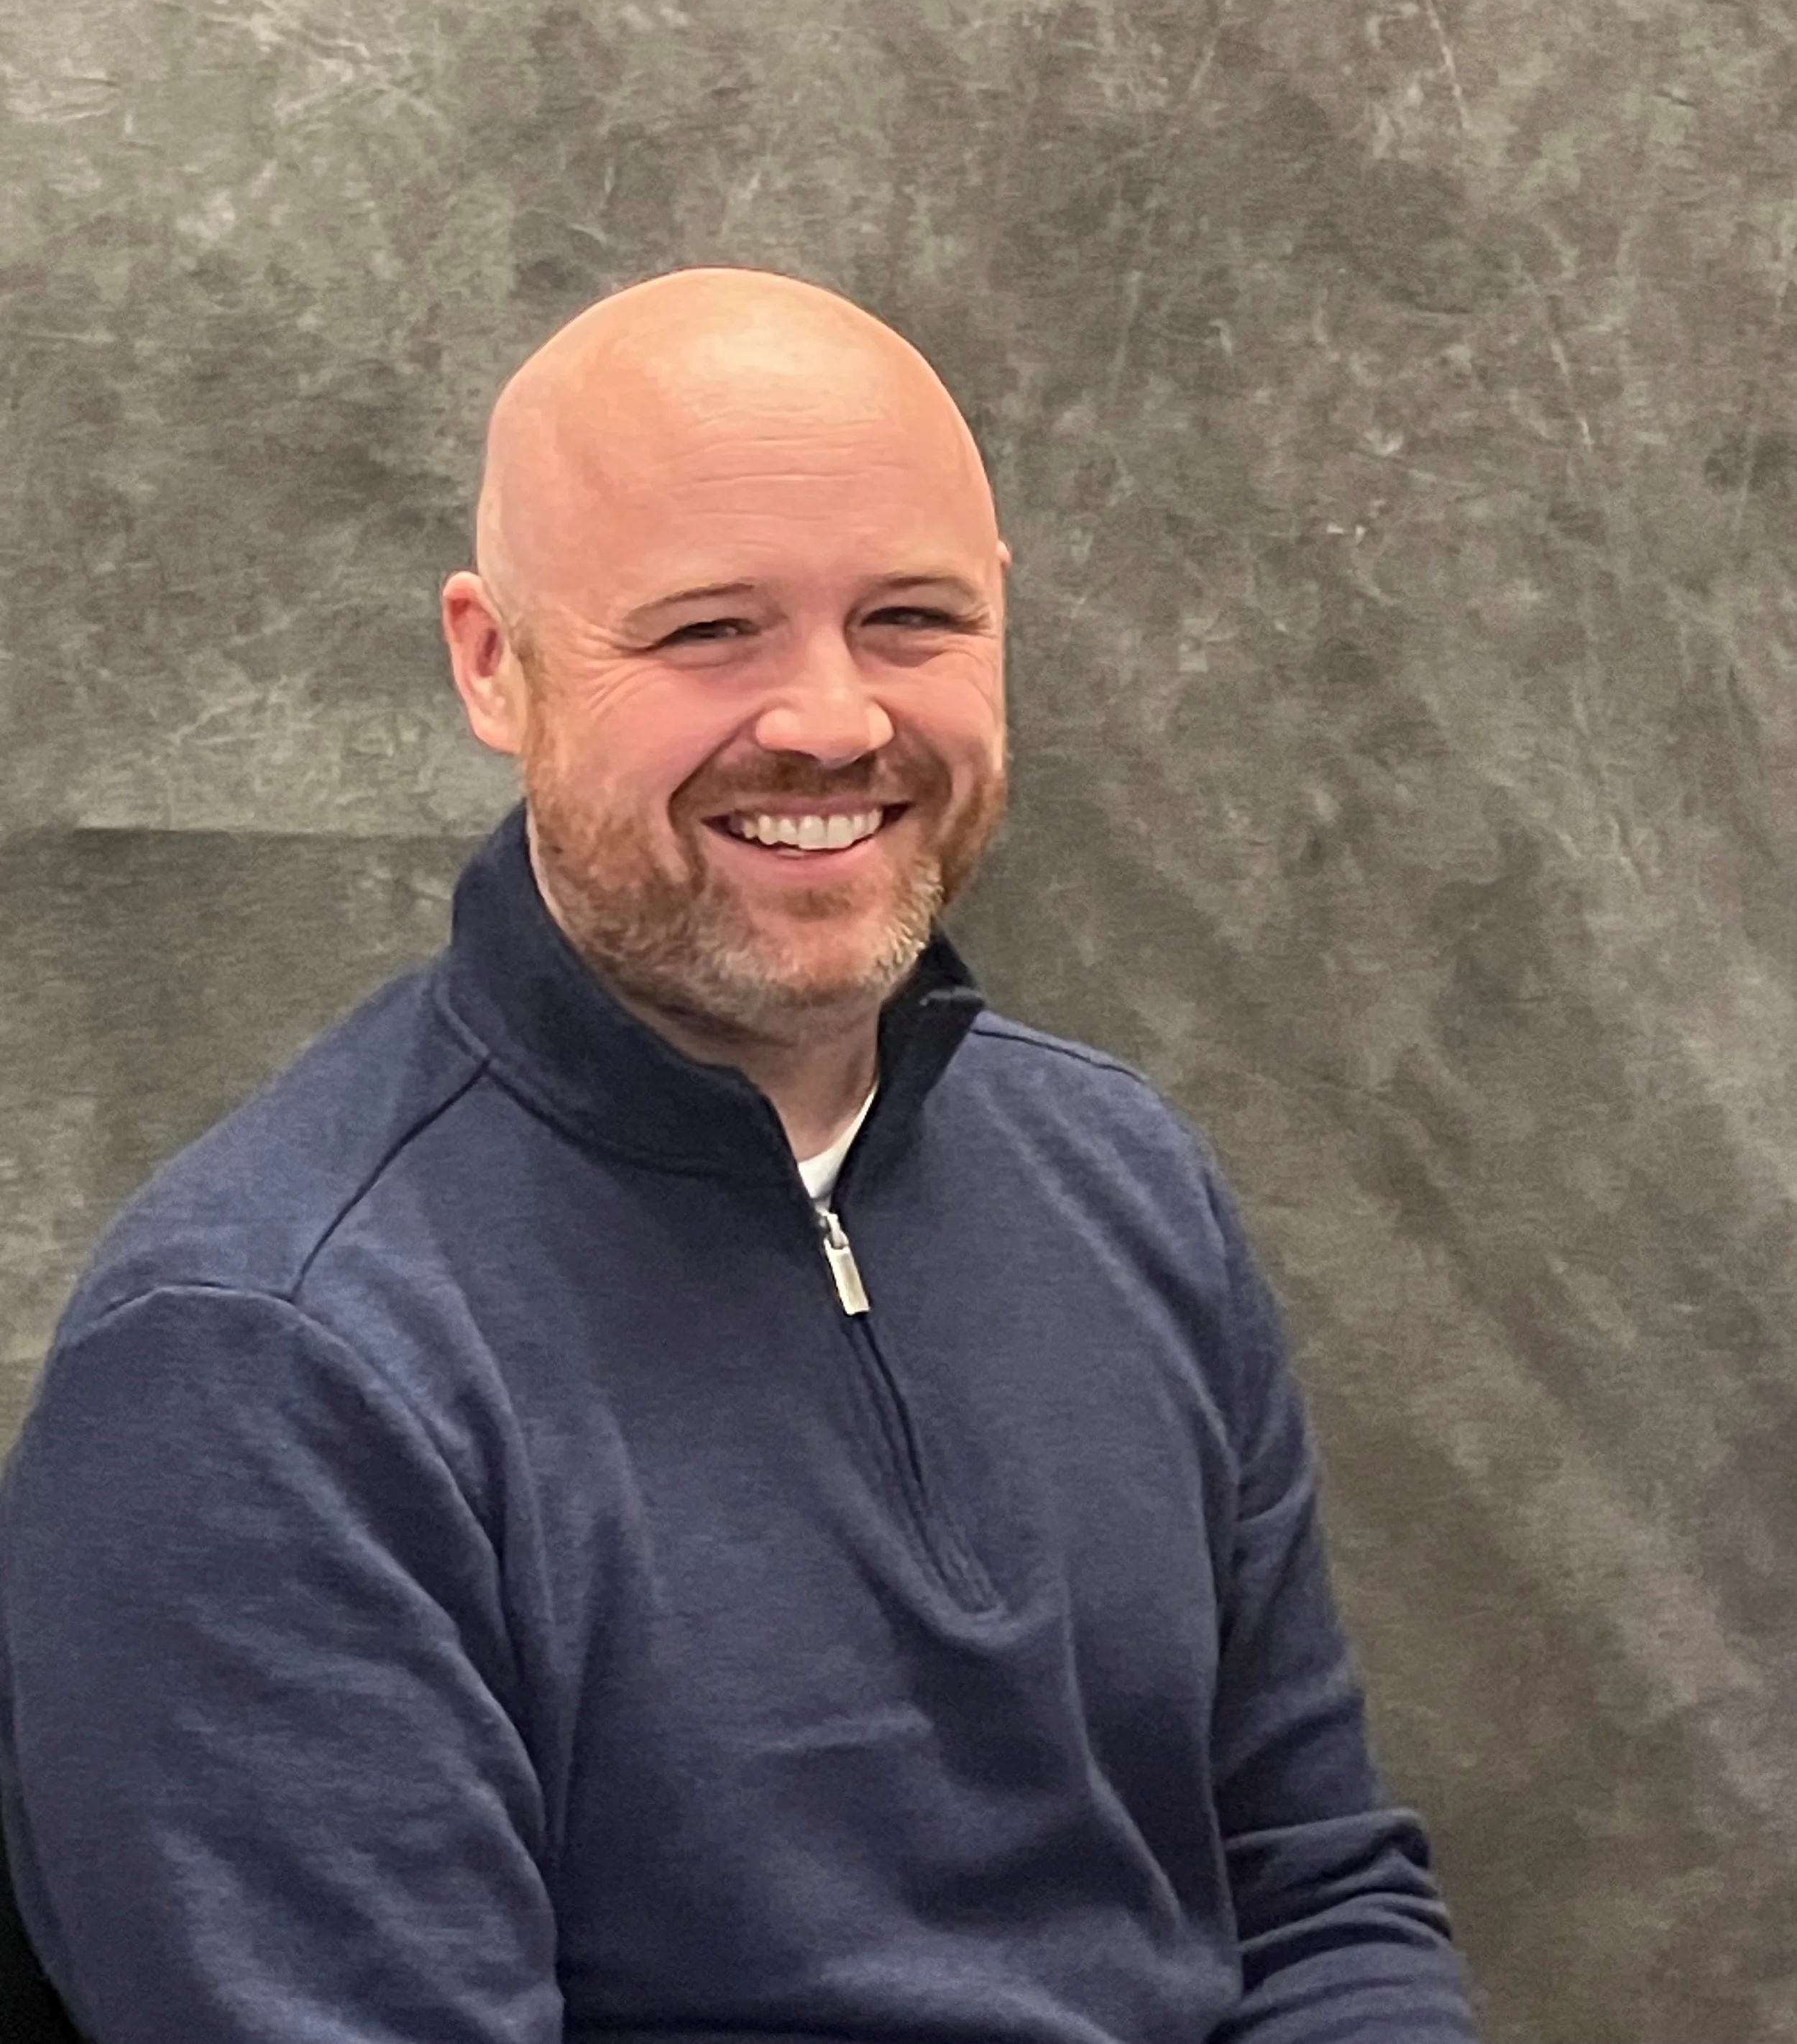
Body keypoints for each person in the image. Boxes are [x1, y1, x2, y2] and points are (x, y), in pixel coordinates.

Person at [0, 268, 1479, 2043]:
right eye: (709, 631)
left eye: (912, 618)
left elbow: (1317, 1895)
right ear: (496, 662)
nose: (833, 721)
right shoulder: (267, 1360)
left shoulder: (1122, 1178)